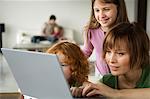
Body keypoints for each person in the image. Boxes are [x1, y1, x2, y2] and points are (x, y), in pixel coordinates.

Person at [74, 22, 150, 98]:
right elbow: (94, 88)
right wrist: (81, 90)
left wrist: (116, 93)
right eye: (108, 52)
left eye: (120, 53)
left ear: (139, 54)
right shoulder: (107, 81)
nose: (111, 60)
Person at [82, 0, 129, 76]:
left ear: (119, 9)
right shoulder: (91, 31)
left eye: (106, 9)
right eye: (97, 10)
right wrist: (71, 58)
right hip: (101, 75)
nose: (101, 15)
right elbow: (86, 51)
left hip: (123, 76)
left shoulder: (129, 32)